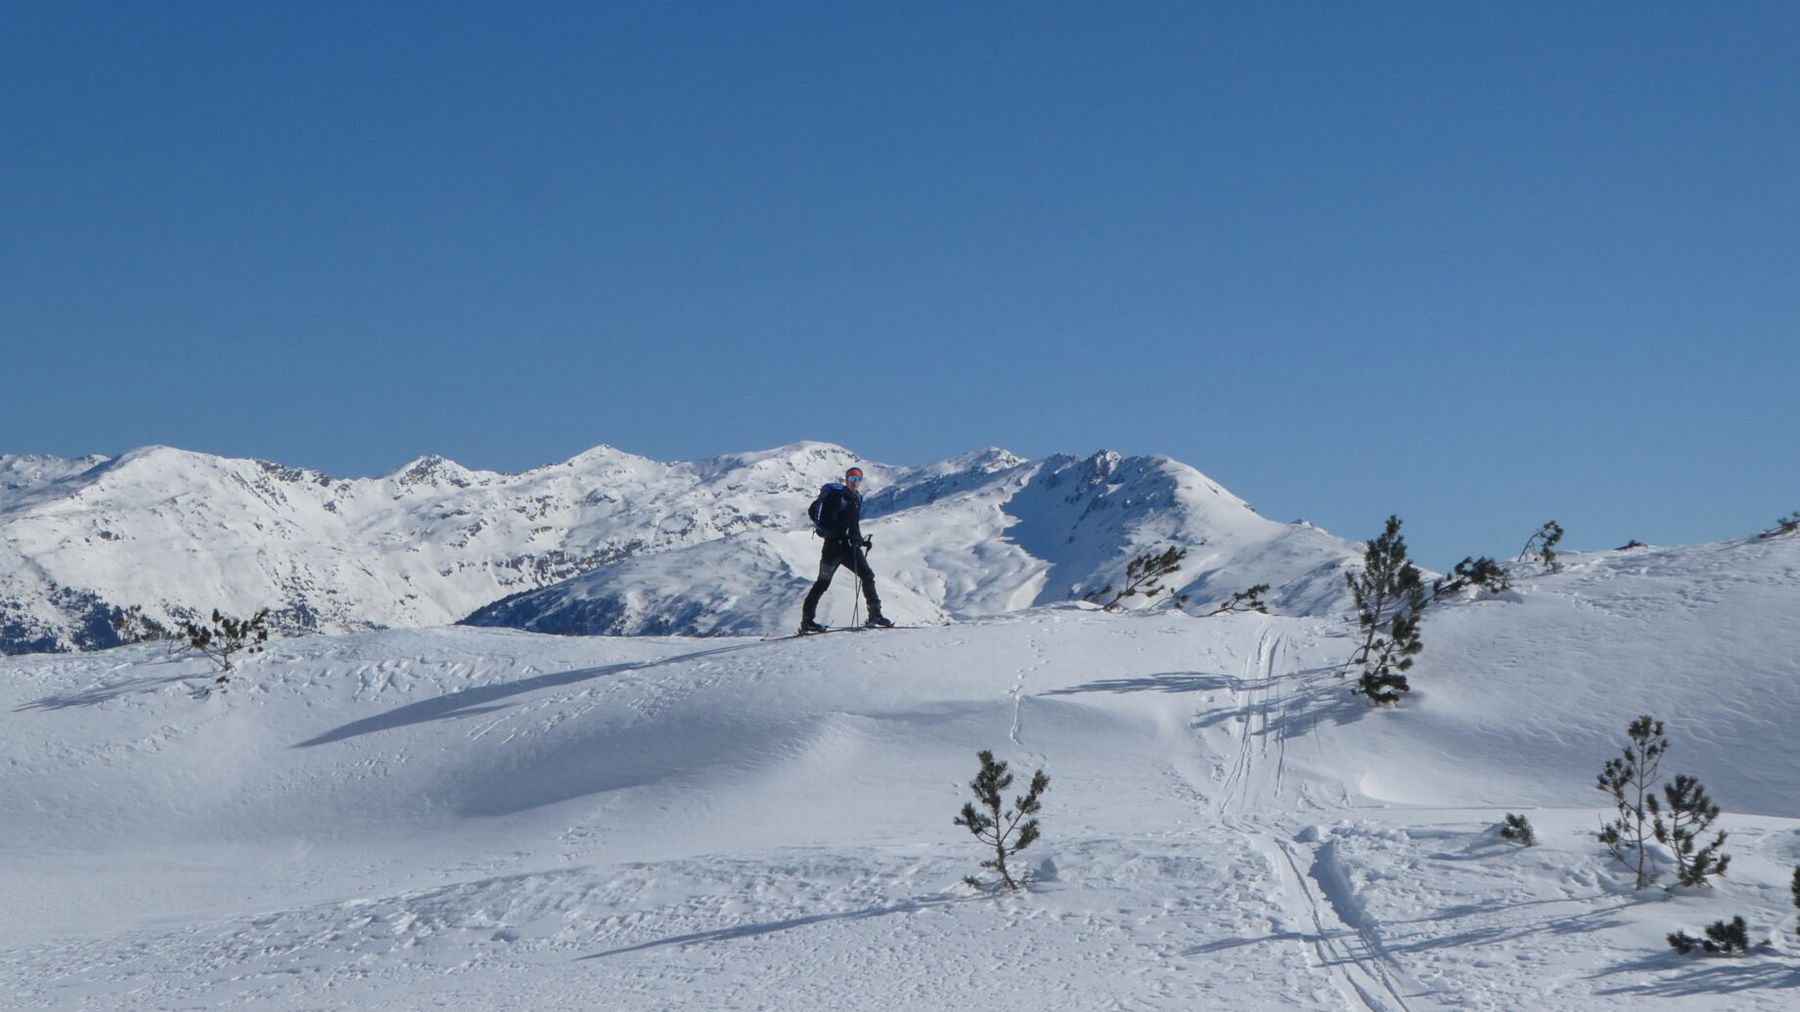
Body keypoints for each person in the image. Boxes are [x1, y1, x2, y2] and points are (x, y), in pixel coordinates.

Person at [799, 466, 892, 633]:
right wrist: (847, 538)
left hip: (847, 547)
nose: (855, 482)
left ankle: (875, 614)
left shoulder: (856, 498)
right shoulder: (837, 497)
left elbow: (853, 525)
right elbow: (832, 524)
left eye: (858, 479)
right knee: (823, 583)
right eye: (852, 478)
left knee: (867, 576)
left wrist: (861, 542)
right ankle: (807, 621)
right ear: (846, 479)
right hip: (834, 548)